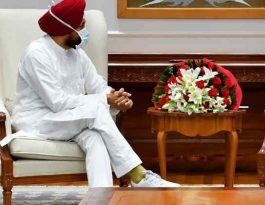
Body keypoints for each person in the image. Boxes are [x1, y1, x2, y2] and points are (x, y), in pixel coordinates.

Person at [10, 0, 179, 188]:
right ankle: (138, 175)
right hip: (38, 120)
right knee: (96, 110)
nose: (84, 30)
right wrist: (104, 99)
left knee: (95, 138)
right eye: (81, 25)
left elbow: (97, 86)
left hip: (68, 119)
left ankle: (101, 197)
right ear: (65, 27)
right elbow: (56, 102)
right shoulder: (37, 54)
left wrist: (116, 98)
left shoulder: (77, 54)